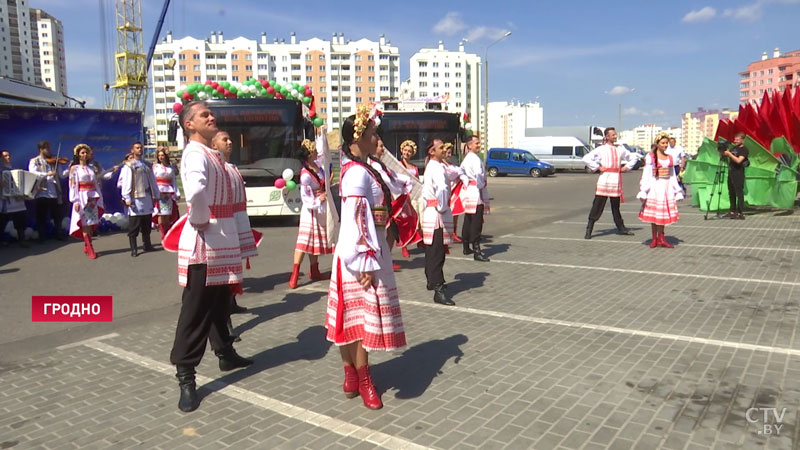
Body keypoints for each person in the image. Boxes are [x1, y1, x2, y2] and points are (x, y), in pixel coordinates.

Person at [168, 101, 253, 413]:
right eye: (204, 114)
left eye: (210, 113)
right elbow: (195, 193)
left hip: (221, 240)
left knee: (218, 302)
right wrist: (202, 221)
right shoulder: (194, 153)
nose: (211, 117)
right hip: (206, 243)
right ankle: (186, 377)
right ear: (190, 125)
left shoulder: (212, 155)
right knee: (195, 310)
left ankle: (225, 354)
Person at [325, 107, 405, 410]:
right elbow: (357, 220)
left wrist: (383, 156)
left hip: (365, 250)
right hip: (360, 254)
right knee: (357, 320)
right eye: (373, 134)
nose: (378, 138)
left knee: (349, 318)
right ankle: (362, 377)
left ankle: (352, 374)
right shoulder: (357, 172)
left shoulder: (367, 166)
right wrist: (365, 262)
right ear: (358, 137)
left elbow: (401, 187)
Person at [422, 139, 469, 306]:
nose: (444, 149)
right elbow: (442, 189)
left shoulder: (433, 166)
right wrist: (442, 207)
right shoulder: (436, 168)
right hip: (437, 216)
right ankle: (438, 287)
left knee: (431, 250)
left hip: (431, 212)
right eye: (440, 147)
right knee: (437, 252)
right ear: (432, 151)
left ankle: (431, 280)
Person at [289, 138, 333, 288]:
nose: (316, 152)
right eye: (313, 151)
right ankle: (295, 273)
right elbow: (305, 196)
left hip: (321, 207)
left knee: (315, 241)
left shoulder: (317, 166)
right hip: (310, 210)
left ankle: (314, 270)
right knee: (304, 241)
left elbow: (325, 160)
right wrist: (318, 199)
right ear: (308, 154)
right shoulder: (305, 174)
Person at [582, 127, 638, 239]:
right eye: (613, 135)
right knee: (598, 204)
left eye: (615, 134)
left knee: (615, 206)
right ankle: (589, 228)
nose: (615, 136)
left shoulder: (620, 149)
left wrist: (626, 167)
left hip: (615, 179)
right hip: (605, 179)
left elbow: (633, 157)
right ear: (607, 137)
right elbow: (586, 158)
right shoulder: (601, 149)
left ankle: (621, 227)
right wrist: (598, 167)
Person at [369, 138, 414, 271]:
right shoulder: (374, 164)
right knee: (383, 233)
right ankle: (382, 260)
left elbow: (393, 176)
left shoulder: (379, 163)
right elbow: (388, 181)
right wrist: (402, 190)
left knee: (390, 232)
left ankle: (385, 259)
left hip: (385, 203)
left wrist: (406, 181)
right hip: (379, 204)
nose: (383, 149)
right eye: (381, 146)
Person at [637, 133, 684, 248]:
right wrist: (644, 189)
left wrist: (677, 190)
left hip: (666, 187)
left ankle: (662, 238)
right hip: (655, 186)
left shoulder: (670, 158)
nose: (665, 145)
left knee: (662, 214)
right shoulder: (651, 157)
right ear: (657, 144)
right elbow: (647, 174)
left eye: (666, 143)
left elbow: (672, 175)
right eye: (663, 143)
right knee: (655, 214)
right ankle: (654, 238)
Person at [118, 142, 159, 256]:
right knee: (134, 224)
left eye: (141, 148)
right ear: (132, 150)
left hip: (147, 197)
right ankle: (134, 248)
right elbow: (126, 182)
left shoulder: (146, 164)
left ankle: (147, 245)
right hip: (135, 197)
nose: (139, 149)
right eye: (137, 148)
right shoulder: (129, 165)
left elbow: (152, 180)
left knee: (147, 222)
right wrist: (126, 197)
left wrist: (155, 194)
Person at [68, 144, 104, 259]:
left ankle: (87, 246)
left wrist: (100, 200)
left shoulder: (91, 168)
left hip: (92, 197)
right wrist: (76, 200)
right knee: (84, 223)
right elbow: (73, 185)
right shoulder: (75, 169)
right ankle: (90, 247)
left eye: (86, 153)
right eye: (82, 153)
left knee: (90, 223)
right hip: (82, 197)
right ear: (78, 154)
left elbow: (96, 184)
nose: (84, 155)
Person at [28, 140, 69, 242]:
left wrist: (69, 168)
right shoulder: (34, 161)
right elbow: (33, 173)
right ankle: (41, 236)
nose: (49, 150)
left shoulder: (54, 161)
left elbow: (61, 175)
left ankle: (58, 234)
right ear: (41, 149)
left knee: (57, 215)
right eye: (47, 148)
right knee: (41, 215)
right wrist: (47, 174)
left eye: (49, 148)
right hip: (41, 191)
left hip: (54, 192)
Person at [459, 135, 490, 261]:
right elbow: (479, 176)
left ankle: (466, 246)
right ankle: (476, 250)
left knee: (469, 219)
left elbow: (460, 172)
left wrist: (466, 182)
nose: (479, 145)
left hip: (469, 191)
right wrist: (481, 185)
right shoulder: (475, 159)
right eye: (476, 143)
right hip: (476, 192)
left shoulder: (467, 158)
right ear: (469, 145)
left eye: (479, 143)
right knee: (476, 221)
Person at [0, 150, 29, 247]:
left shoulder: (16, 169)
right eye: (5, 156)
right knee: (2, 222)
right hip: (6, 201)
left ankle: (22, 240)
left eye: (8, 155)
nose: (8, 157)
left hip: (18, 200)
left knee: (20, 221)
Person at [397, 140, 420, 259]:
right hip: (403, 196)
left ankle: (419, 239)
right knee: (404, 221)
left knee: (416, 218)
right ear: (402, 150)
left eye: (409, 151)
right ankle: (403, 246)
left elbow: (417, 182)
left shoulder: (414, 167)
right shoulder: (398, 165)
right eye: (405, 150)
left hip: (414, 196)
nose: (407, 153)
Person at [152, 147, 181, 241]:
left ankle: (168, 233)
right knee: (160, 214)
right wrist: (153, 193)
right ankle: (162, 234)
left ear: (165, 156)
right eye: (159, 155)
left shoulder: (170, 168)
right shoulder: (155, 167)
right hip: (159, 192)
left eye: (162, 155)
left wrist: (176, 193)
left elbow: (174, 181)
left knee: (167, 214)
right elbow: (152, 181)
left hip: (168, 192)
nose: (161, 157)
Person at [723, 132, 749, 220]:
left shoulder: (744, 150)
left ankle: (740, 212)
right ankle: (732, 211)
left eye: (737, 139)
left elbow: (739, 161)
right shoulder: (733, 148)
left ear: (742, 140)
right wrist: (723, 152)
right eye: (735, 139)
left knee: (739, 193)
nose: (735, 141)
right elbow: (726, 158)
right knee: (731, 193)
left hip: (738, 173)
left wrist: (730, 154)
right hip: (731, 172)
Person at [444, 143, 464, 243]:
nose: (449, 155)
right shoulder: (441, 165)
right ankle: (446, 233)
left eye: (450, 153)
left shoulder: (451, 164)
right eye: (447, 153)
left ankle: (454, 233)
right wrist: (458, 173)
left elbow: (460, 171)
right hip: (447, 192)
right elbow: (452, 174)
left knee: (455, 213)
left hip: (454, 191)